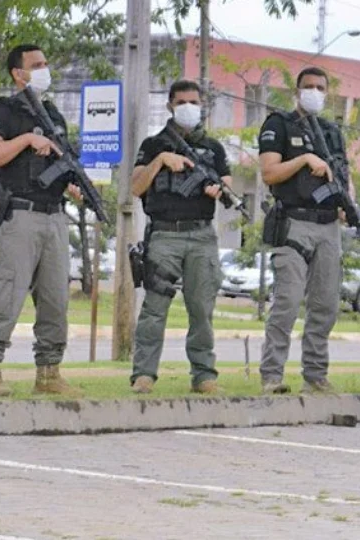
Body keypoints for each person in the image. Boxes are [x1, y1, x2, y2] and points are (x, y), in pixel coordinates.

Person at [0, 44, 84, 398]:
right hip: (18, 215)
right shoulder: (3, 110)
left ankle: (49, 373)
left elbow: (60, 164)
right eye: (36, 65)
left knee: (56, 299)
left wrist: (72, 184)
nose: (44, 69)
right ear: (17, 74)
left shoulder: (54, 116)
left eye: (46, 63)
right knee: (6, 293)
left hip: (54, 217)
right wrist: (25, 138)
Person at [257, 66, 355, 394]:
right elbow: (269, 173)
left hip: (328, 225)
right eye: (308, 86)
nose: (314, 91)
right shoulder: (279, 125)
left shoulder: (331, 131)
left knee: (325, 304)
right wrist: (303, 160)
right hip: (293, 224)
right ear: (297, 91)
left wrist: (348, 202)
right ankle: (272, 375)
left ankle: (315, 374)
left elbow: (343, 172)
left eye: (320, 87)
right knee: (287, 301)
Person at [128, 80, 231, 395]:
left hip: (201, 235)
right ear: (170, 105)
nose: (190, 107)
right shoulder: (153, 144)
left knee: (201, 308)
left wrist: (219, 190)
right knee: (155, 308)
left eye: (195, 102)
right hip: (164, 235)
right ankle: (144, 374)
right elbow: (135, 186)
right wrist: (161, 162)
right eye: (183, 101)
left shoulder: (213, 148)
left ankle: (204, 375)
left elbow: (227, 185)